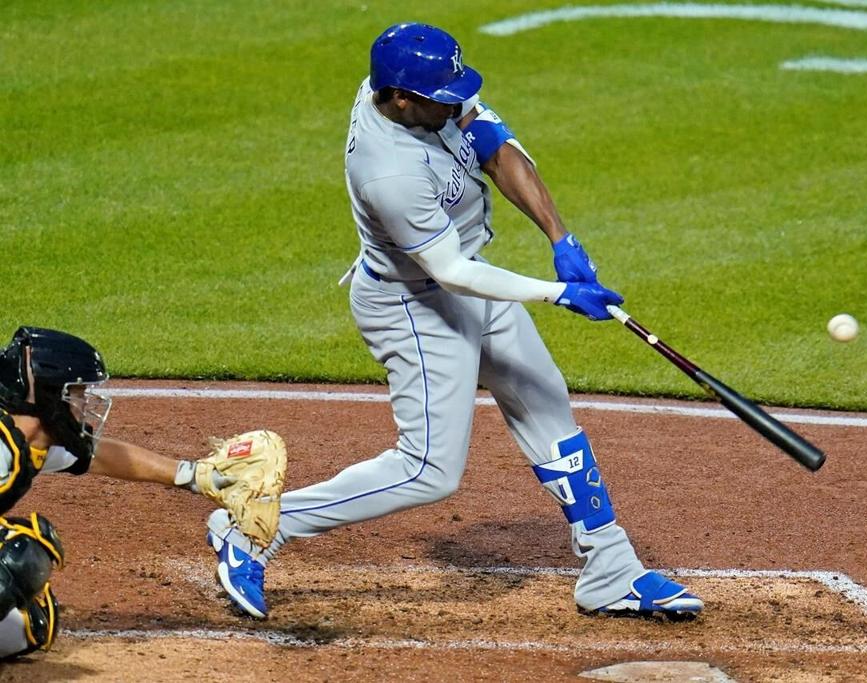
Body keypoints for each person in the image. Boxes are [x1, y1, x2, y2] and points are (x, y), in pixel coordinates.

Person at [205, 22, 704, 621]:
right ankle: (253, 528)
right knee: (427, 472)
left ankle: (612, 570)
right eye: (439, 101)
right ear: (399, 99)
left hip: (472, 281)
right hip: (415, 304)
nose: (452, 106)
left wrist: (560, 236)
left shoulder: (423, 93)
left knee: (546, 405)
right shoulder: (388, 170)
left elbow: (494, 141)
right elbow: (451, 271)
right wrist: (558, 293)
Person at [0, 326, 236, 659]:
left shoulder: (26, 443)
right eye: (78, 394)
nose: (85, 405)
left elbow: (99, 456)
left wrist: (192, 475)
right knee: (17, 558)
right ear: (49, 396)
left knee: (28, 626)